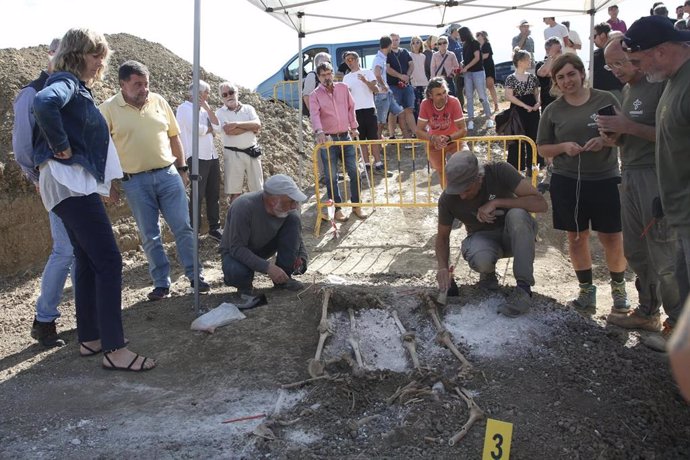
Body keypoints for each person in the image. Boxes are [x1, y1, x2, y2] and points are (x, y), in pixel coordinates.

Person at [33, 28, 154, 371]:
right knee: (109, 261)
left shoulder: (73, 85)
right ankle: (115, 350)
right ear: (76, 54)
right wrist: (60, 146)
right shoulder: (66, 82)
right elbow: (44, 103)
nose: (101, 62)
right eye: (94, 54)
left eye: (102, 55)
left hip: (67, 184)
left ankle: (90, 337)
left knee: (86, 260)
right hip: (70, 184)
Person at [99, 60, 210, 301]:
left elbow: (174, 137)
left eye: (146, 83)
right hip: (134, 182)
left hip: (168, 175)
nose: (144, 89)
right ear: (122, 84)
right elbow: (101, 148)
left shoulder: (159, 101)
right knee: (150, 234)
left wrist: (182, 168)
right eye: (138, 84)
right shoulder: (107, 109)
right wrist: (108, 184)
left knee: (183, 227)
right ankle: (161, 283)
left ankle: (195, 276)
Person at [596, 36, 681, 349]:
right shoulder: (630, 89)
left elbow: (672, 135)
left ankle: (676, 326)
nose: (617, 69)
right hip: (629, 171)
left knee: (664, 251)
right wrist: (614, 137)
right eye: (611, 65)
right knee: (635, 248)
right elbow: (634, 134)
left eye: (622, 62)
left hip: (655, 176)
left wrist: (627, 128)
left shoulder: (660, 85)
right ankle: (648, 311)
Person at [536, 54, 629, 314]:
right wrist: (564, 147)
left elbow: (622, 134)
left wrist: (605, 141)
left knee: (612, 236)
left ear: (581, 73)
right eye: (561, 77)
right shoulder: (553, 110)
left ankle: (619, 288)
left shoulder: (605, 99)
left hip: (605, 177)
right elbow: (542, 147)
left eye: (571, 74)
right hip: (567, 180)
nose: (567, 81)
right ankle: (587, 291)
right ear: (555, 81)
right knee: (576, 237)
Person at [623, 15, 690, 346]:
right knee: (682, 279)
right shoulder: (672, 80)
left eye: (637, 60)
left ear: (661, 51)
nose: (636, 67)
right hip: (677, 205)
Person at [435, 151, 547, 317]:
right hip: (483, 239)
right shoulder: (448, 198)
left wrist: (496, 202)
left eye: (466, 189)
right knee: (481, 257)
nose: (462, 195)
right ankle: (487, 274)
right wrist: (443, 268)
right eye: (457, 190)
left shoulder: (498, 171)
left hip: (514, 236)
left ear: (479, 178)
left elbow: (541, 204)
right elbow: (442, 237)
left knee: (518, 215)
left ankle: (523, 289)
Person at [12, 38, 71, 348]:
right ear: (50, 55)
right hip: (53, 181)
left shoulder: (73, 90)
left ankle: (90, 313)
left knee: (78, 250)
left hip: (77, 184)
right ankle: (44, 320)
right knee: (65, 250)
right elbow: (22, 147)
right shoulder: (32, 93)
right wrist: (37, 177)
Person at [220, 174, 308, 295]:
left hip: (264, 247)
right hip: (236, 252)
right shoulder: (243, 207)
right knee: (236, 272)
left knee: (294, 218)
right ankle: (244, 286)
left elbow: (296, 235)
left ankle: (283, 279)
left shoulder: (288, 210)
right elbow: (237, 248)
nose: (295, 205)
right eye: (291, 201)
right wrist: (268, 268)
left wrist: (301, 256)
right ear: (273, 201)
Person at [309, 61, 366, 222]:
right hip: (328, 140)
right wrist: (319, 131)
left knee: (354, 171)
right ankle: (337, 209)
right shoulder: (314, 95)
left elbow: (351, 107)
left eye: (329, 74)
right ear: (318, 77)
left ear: (333, 73)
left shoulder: (343, 88)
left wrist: (354, 126)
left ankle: (356, 206)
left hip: (346, 136)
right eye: (323, 75)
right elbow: (314, 115)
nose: (327, 77)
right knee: (331, 176)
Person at [175, 80, 222, 241]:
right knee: (197, 195)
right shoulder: (183, 109)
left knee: (213, 193)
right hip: (196, 156)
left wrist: (208, 109)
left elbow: (218, 128)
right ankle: (194, 232)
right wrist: (209, 129)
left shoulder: (204, 110)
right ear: (198, 93)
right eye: (206, 92)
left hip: (211, 155)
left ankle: (214, 228)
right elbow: (198, 129)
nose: (208, 95)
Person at [215, 81, 264, 203]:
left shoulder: (249, 108)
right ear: (221, 98)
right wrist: (250, 128)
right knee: (235, 192)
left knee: (258, 190)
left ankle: (258, 220)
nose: (229, 96)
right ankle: (236, 220)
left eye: (231, 92)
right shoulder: (220, 113)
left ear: (237, 93)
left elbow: (257, 125)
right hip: (233, 155)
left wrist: (236, 124)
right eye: (224, 94)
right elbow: (229, 131)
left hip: (253, 152)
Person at [415, 77, 467, 184]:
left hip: (454, 139)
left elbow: (463, 130)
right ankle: (448, 197)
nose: (443, 97)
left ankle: (465, 193)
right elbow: (419, 131)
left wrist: (448, 138)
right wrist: (433, 138)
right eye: (438, 94)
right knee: (441, 171)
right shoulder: (425, 104)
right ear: (430, 95)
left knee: (466, 162)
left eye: (445, 92)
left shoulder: (454, 101)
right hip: (434, 143)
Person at [342, 51, 385, 175]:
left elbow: (376, 90)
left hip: (369, 108)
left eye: (351, 59)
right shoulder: (346, 77)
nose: (349, 62)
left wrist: (366, 81)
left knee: (373, 138)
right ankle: (366, 163)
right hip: (355, 111)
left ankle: (378, 162)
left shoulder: (367, 72)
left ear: (357, 60)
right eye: (347, 60)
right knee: (361, 140)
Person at [504, 48, 541, 174]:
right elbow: (509, 96)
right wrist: (525, 106)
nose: (530, 61)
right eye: (527, 59)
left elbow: (536, 92)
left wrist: (538, 103)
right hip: (518, 111)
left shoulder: (532, 77)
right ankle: (516, 168)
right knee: (518, 139)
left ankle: (533, 165)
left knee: (534, 136)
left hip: (533, 110)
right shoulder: (511, 78)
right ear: (520, 62)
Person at [458, 26, 494, 131]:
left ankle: (489, 117)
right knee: (469, 96)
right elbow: (467, 59)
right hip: (468, 73)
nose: (459, 37)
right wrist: (463, 64)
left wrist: (466, 67)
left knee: (482, 95)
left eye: (460, 35)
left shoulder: (475, 43)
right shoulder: (464, 45)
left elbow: (477, 57)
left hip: (477, 72)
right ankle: (470, 120)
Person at [372, 36, 404, 141]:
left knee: (399, 112)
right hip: (382, 94)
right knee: (381, 121)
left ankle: (405, 137)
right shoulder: (379, 58)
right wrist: (383, 85)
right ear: (389, 45)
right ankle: (377, 143)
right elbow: (377, 73)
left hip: (386, 93)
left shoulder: (381, 57)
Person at [386, 33, 417, 141]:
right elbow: (388, 69)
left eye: (396, 40)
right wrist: (400, 76)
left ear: (399, 40)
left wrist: (407, 76)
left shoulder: (404, 52)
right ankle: (391, 135)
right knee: (394, 111)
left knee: (409, 109)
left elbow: (411, 64)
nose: (395, 42)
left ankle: (415, 133)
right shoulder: (387, 53)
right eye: (392, 40)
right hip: (393, 86)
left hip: (407, 85)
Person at [592, 23, 624, 101]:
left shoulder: (618, 51)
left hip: (613, 93)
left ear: (602, 35)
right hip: (602, 93)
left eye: (594, 36)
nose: (592, 40)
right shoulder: (595, 54)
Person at [476, 31, 500, 112]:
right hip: (481, 68)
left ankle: (496, 105)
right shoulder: (477, 46)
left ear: (484, 36)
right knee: (482, 88)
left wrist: (476, 58)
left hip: (488, 67)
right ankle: (486, 106)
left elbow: (486, 55)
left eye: (479, 35)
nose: (478, 36)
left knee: (490, 86)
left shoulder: (487, 44)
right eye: (477, 35)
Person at [302, 51, 331, 116]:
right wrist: (313, 114)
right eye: (328, 62)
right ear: (319, 63)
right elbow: (306, 97)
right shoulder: (312, 76)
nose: (329, 64)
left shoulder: (325, 75)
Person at [409, 36, 429, 121]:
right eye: (413, 43)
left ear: (421, 44)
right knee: (415, 106)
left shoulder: (423, 56)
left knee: (425, 105)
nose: (415, 44)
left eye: (417, 42)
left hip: (424, 82)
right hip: (414, 83)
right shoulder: (409, 55)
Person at [447, 24, 465, 105]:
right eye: (457, 31)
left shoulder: (457, 41)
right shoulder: (449, 41)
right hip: (454, 68)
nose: (458, 33)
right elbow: (452, 51)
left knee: (460, 87)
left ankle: (461, 106)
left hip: (459, 67)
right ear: (453, 32)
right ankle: (458, 106)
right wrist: (463, 48)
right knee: (456, 87)